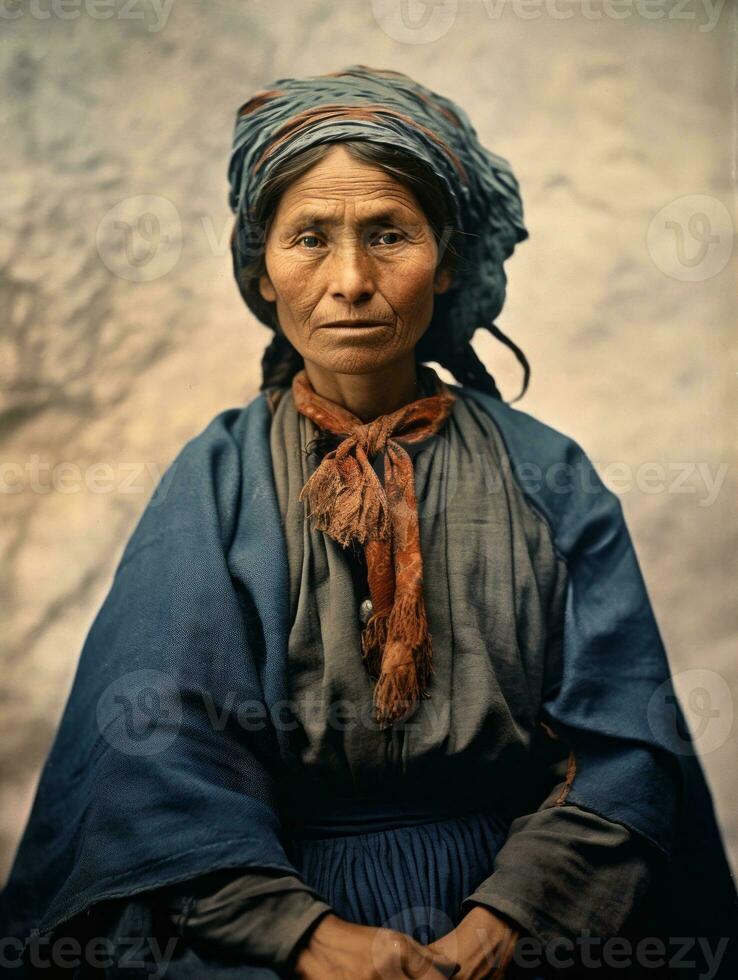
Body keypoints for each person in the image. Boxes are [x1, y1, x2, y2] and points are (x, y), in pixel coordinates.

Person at [0, 66, 735, 980]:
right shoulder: (217, 481)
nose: (350, 280)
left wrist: (506, 924)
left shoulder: (550, 475)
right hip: (267, 931)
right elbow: (154, 753)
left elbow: (626, 744)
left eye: (390, 234)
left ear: (450, 257)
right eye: (309, 238)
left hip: (528, 921)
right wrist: (306, 939)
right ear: (260, 269)